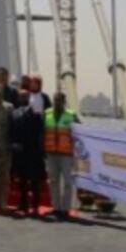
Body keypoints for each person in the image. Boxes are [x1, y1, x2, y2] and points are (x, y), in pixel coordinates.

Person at [43, 91, 79, 221]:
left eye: (59, 100)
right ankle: (56, 207)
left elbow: (81, 132)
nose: (56, 102)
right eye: (55, 100)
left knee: (68, 182)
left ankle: (65, 209)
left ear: (64, 102)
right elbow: (42, 132)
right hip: (51, 153)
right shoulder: (46, 114)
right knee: (53, 182)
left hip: (66, 154)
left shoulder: (71, 115)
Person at [12, 91, 45, 215]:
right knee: (22, 180)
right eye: (21, 96)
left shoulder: (36, 113)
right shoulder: (14, 113)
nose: (23, 98)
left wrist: (40, 151)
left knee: (34, 181)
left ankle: (35, 205)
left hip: (33, 152)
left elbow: (40, 133)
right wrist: (13, 144)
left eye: (25, 96)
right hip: (19, 153)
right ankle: (23, 204)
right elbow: (12, 130)